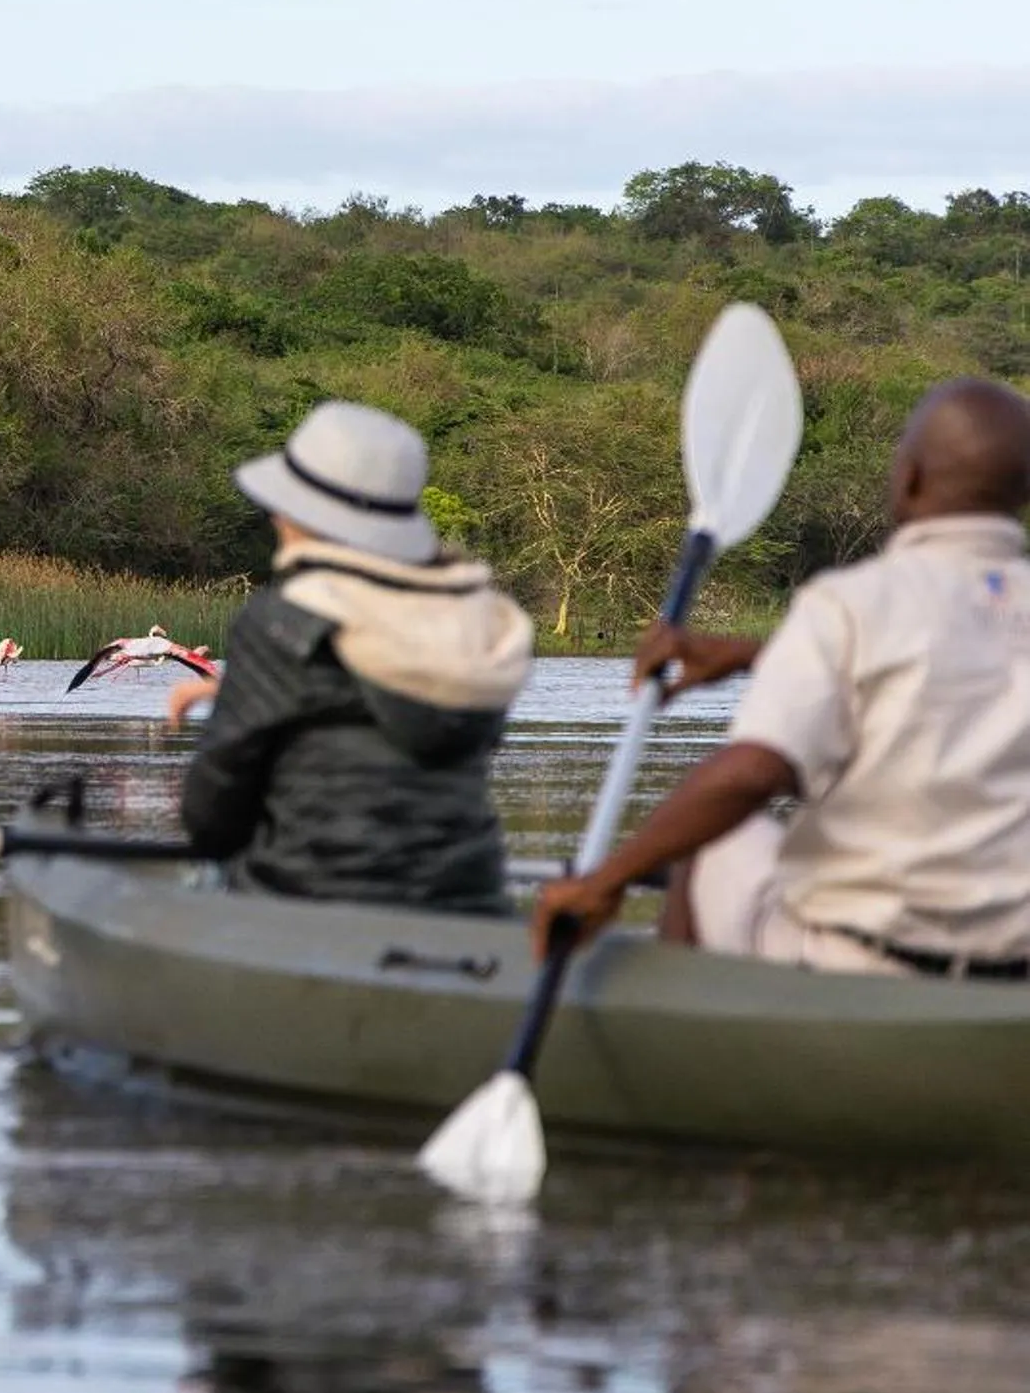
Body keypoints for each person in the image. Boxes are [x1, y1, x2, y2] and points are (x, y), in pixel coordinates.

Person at [536, 376, 1030, 978]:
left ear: (911, 479)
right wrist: (756, 655)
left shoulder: (852, 603)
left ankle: (680, 1027)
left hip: (868, 966)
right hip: (1010, 972)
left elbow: (749, 775)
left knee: (716, 841)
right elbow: (962, 670)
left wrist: (606, 880)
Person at [177, 400, 535, 912]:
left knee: (203, 879)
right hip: (470, 899)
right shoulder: (481, 626)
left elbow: (212, 817)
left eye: (283, 503)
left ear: (303, 515)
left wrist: (240, 700)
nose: (275, 516)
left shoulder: (287, 619)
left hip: (311, 897)